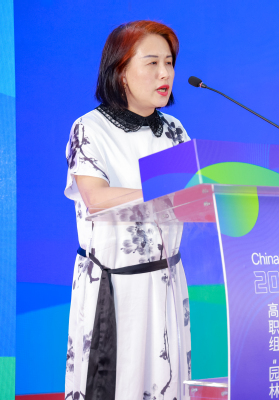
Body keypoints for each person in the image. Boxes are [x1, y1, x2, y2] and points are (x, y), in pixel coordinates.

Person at [64, 21, 191, 400]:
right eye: (152, 63)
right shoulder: (90, 128)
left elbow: (190, 199)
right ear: (120, 71)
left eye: (169, 62)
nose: (165, 73)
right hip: (116, 286)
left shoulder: (175, 131)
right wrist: (165, 191)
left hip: (167, 281)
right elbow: (96, 198)